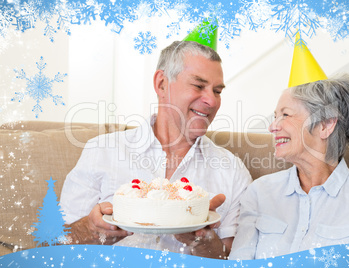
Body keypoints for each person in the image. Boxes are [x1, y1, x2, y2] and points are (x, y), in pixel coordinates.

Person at [60, 40, 252, 259]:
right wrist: (91, 230)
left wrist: (202, 241)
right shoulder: (102, 151)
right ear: (162, 84)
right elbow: (55, 244)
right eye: (198, 86)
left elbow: (233, 258)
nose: (211, 100)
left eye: (217, 91)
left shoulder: (232, 171)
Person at [229, 37, 349, 259]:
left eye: (285, 115)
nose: (273, 126)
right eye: (275, 116)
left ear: (325, 124)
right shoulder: (260, 192)